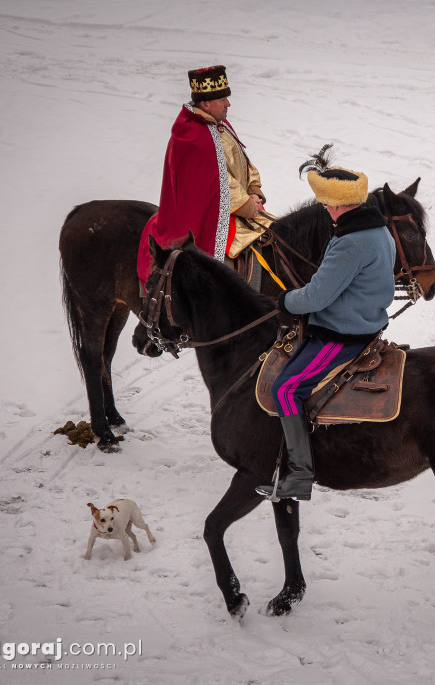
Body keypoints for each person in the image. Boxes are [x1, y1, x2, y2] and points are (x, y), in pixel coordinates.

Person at [254, 160, 397, 501]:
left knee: (286, 389)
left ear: (335, 205)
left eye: (324, 203)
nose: (323, 208)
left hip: (343, 333)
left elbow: (317, 295)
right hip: (366, 320)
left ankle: (300, 476)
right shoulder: (378, 230)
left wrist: (286, 301)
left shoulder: (351, 242)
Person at [136, 64, 273, 287]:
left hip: (236, 208)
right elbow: (216, 182)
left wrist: (254, 190)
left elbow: (242, 163)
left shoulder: (219, 125)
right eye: (223, 99)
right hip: (207, 216)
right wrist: (247, 205)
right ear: (206, 103)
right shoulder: (191, 135)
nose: (228, 104)